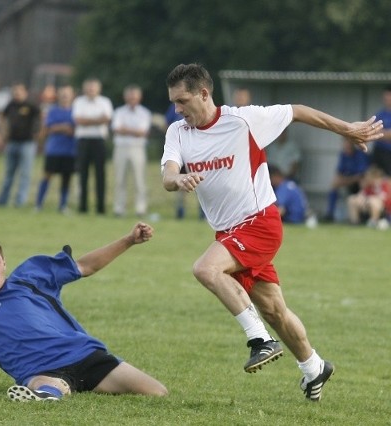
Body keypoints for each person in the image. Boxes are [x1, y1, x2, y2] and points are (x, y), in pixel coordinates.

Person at [161, 63, 383, 401]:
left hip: (259, 223)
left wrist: (347, 129)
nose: (178, 109)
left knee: (206, 269)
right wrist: (178, 180)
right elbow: (168, 175)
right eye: (174, 102)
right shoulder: (178, 131)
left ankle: (259, 340)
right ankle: (314, 367)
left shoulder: (243, 120)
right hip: (228, 234)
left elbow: (297, 111)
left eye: (182, 100)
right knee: (275, 310)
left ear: (204, 94)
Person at [0, 222, 168, 401]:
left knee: (157, 393)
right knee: (45, 387)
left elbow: (85, 266)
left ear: (4, 262)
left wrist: (129, 240)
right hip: (43, 372)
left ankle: (59, 391)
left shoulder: (31, 276)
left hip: (85, 355)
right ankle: (47, 395)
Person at [0, 83, 41, 207]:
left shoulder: (31, 105)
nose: (17, 93)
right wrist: (3, 133)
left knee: (25, 173)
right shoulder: (11, 105)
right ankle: (3, 200)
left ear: (25, 92)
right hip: (12, 142)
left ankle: (20, 201)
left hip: (27, 143)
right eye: (15, 91)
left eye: (19, 91)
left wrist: (37, 134)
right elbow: (2, 118)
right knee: (9, 173)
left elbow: (41, 118)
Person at [72, 77, 113, 214]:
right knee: (82, 174)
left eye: (93, 87)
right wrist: (97, 120)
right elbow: (78, 120)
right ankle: (82, 207)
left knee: (100, 175)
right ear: (84, 89)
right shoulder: (78, 102)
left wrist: (87, 121)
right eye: (88, 87)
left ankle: (100, 208)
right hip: (83, 140)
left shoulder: (105, 102)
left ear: (98, 89)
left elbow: (107, 119)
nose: (91, 90)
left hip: (99, 140)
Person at [111, 84, 152, 217]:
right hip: (121, 148)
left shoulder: (144, 112)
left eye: (134, 96)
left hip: (137, 148)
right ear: (125, 97)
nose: (132, 99)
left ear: (139, 97)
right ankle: (119, 208)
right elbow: (116, 129)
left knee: (139, 179)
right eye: (130, 96)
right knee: (119, 179)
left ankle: (140, 208)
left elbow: (142, 132)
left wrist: (125, 130)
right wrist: (133, 131)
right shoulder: (119, 111)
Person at [35, 84, 76, 213]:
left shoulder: (76, 111)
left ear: (72, 96)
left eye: (67, 94)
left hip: (70, 150)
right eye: (63, 94)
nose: (65, 96)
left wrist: (60, 128)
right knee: (47, 176)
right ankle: (38, 204)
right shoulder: (53, 111)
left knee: (66, 178)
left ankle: (63, 206)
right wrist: (64, 127)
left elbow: (75, 130)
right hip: (54, 150)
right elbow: (49, 128)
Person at [322, 137, 370, 222]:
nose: (346, 145)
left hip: (360, 183)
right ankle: (330, 213)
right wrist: (345, 180)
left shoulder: (360, 154)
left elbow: (362, 176)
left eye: (348, 143)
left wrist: (347, 179)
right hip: (350, 181)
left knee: (363, 182)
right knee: (334, 183)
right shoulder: (343, 155)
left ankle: (363, 215)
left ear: (352, 144)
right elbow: (339, 173)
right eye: (345, 143)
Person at [346, 166, 391, 230]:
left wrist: (368, 200)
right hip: (368, 205)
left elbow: (384, 198)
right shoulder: (369, 185)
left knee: (373, 201)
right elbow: (362, 194)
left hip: (385, 209)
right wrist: (360, 199)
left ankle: (373, 222)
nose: (367, 178)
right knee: (352, 199)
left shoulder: (384, 184)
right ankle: (354, 222)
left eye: (369, 176)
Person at [370, 86, 391, 176]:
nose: (386, 98)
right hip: (378, 151)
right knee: (374, 175)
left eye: (388, 96)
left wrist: (380, 133)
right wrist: (386, 134)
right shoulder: (380, 113)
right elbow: (372, 130)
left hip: (389, 152)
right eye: (385, 96)